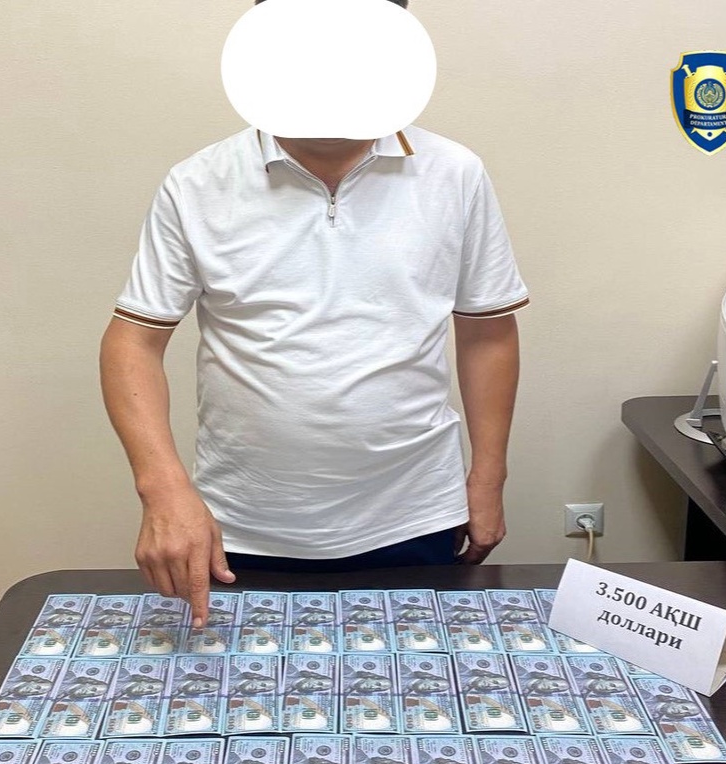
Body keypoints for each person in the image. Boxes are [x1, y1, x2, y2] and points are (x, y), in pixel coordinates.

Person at [100, 0, 528, 627]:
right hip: (239, 524)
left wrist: (488, 479)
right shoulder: (197, 183)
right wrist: (162, 489)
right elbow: (132, 342)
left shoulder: (455, 173)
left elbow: (488, 332)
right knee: (248, 688)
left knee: (409, 685)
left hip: (414, 515)